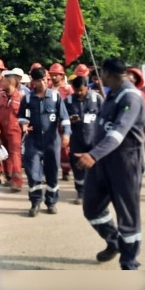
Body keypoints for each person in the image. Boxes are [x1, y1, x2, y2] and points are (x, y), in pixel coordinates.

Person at [74, 57, 145, 270]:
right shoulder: (111, 94)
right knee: (91, 207)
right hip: (102, 160)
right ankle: (114, 242)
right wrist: (94, 153)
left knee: (127, 215)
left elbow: (118, 133)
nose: (97, 77)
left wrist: (93, 155)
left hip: (125, 163)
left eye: (100, 73)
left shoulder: (131, 97)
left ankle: (129, 262)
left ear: (108, 73)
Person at [17, 67, 71, 216]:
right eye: (39, 80)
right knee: (33, 174)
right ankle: (35, 203)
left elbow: (65, 118)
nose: (43, 83)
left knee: (52, 174)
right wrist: (23, 124)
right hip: (33, 142)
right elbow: (21, 116)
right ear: (33, 82)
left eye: (45, 80)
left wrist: (66, 134)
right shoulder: (28, 98)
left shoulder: (55, 97)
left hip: (52, 142)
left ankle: (51, 203)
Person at [65, 75, 103, 205]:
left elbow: (105, 115)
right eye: (76, 90)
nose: (79, 93)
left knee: (96, 166)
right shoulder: (68, 100)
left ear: (87, 87)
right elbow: (63, 117)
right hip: (77, 139)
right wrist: (70, 119)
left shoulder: (97, 98)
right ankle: (80, 192)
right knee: (78, 166)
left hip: (94, 139)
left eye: (81, 90)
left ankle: (96, 191)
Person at [0, 70, 24, 192]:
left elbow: (26, 114)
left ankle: (17, 182)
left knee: (15, 154)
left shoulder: (21, 97)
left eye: (4, 81)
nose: (2, 83)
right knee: (4, 153)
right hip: (2, 129)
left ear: (10, 82)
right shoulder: (0, 96)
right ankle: (9, 177)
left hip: (14, 130)